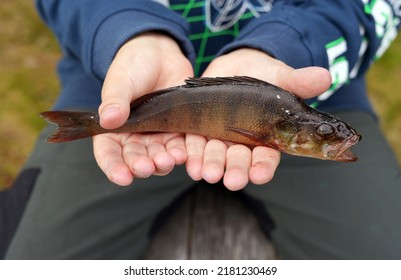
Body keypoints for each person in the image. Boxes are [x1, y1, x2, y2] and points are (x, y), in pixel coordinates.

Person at [3, 0, 401, 259]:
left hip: (312, 86)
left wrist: (288, 44)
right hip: (116, 87)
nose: (336, 140)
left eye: (328, 136)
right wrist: (126, 32)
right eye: (329, 136)